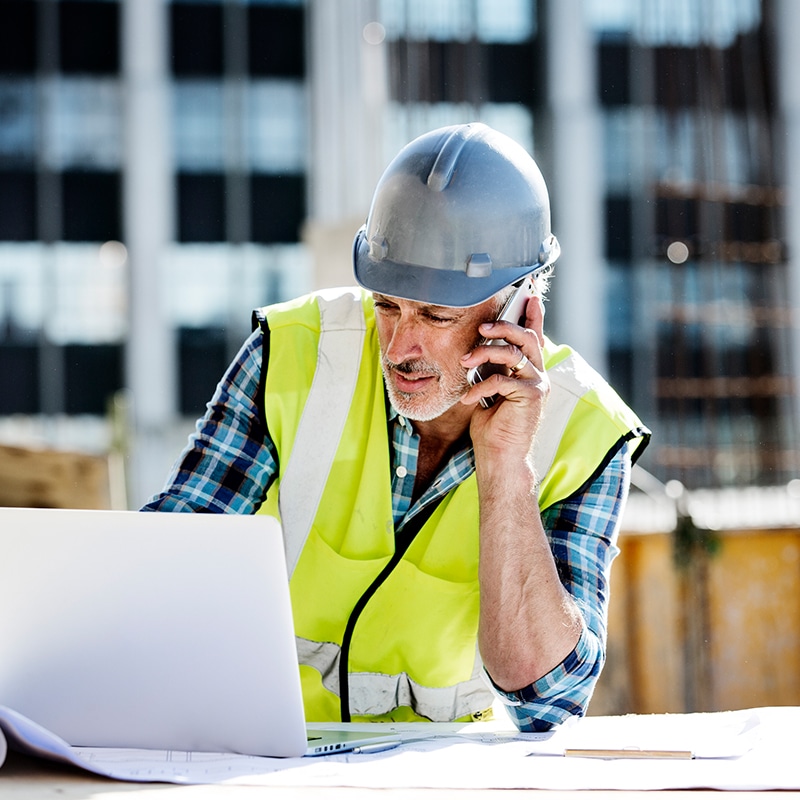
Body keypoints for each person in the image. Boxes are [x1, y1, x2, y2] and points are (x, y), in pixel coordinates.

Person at [143, 122, 650, 732]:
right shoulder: (291, 355)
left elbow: (548, 699)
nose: (400, 345)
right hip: (259, 763)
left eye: (436, 313)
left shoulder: (587, 431)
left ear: (521, 311)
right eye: (387, 304)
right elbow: (163, 574)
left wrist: (507, 471)